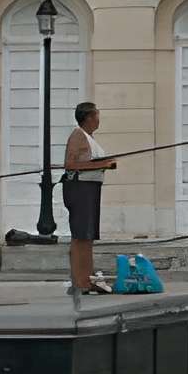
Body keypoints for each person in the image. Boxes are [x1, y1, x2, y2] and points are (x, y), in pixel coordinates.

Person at [60, 100, 120, 297]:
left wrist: (103, 163)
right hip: (80, 189)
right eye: (96, 116)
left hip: (90, 188)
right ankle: (80, 281)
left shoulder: (88, 137)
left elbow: (86, 161)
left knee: (88, 236)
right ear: (88, 118)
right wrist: (103, 165)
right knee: (81, 236)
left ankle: (86, 278)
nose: (98, 120)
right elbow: (70, 164)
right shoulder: (78, 135)